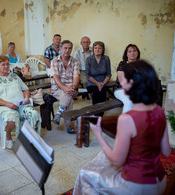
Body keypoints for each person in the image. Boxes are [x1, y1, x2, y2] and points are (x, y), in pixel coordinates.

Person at [73, 60, 171, 195]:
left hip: (137, 186)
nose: (121, 83)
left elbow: (117, 161)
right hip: (160, 181)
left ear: (131, 83)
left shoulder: (127, 119)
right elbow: (166, 152)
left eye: (123, 79)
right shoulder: (159, 111)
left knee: (86, 175)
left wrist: (99, 134)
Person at [0, 55, 41, 149]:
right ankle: (8, 136)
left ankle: (28, 137)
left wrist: (27, 98)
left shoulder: (15, 76)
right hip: (6, 107)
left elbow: (25, 89)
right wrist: (8, 104)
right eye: (3, 64)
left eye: (7, 64)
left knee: (34, 114)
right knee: (12, 120)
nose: (5, 66)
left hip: (21, 104)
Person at [51, 40, 80, 134]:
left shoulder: (75, 61)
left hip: (71, 87)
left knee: (69, 94)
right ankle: (70, 126)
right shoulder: (54, 61)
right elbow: (55, 77)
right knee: (69, 99)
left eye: (69, 48)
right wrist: (64, 88)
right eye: (65, 48)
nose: (67, 50)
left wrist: (73, 86)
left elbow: (76, 77)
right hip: (57, 88)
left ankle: (59, 113)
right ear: (60, 49)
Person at [86, 41, 111, 116]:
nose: (97, 50)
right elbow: (88, 75)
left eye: (100, 48)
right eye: (95, 48)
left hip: (104, 81)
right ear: (93, 49)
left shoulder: (106, 59)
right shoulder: (89, 59)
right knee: (96, 93)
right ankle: (96, 115)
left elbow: (108, 74)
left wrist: (103, 83)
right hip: (92, 82)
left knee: (103, 94)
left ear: (103, 50)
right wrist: (97, 83)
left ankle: (100, 115)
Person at [114, 44, 140, 113]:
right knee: (129, 102)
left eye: (134, 51)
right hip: (121, 89)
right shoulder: (122, 64)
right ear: (126, 54)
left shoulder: (140, 65)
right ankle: (124, 123)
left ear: (138, 53)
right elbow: (122, 81)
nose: (132, 53)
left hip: (135, 90)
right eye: (130, 51)